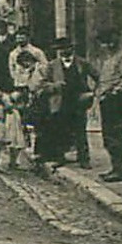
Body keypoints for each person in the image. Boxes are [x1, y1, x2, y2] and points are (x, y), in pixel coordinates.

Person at [33, 38, 94, 168]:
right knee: (60, 129)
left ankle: (84, 159)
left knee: (80, 130)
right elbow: (41, 84)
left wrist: (92, 94)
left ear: (71, 49)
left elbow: (99, 78)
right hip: (60, 101)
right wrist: (55, 86)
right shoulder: (52, 65)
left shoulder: (82, 63)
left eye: (65, 48)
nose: (62, 52)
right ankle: (60, 157)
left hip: (78, 101)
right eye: (60, 49)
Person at [92, 31, 122, 181]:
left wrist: (115, 92)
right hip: (108, 101)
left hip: (118, 101)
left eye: (107, 43)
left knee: (116, 135)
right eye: (103, 43)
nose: (105, 46)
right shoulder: (109, 60)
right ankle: (116, 167)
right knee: (108, 136)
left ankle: (121, 171)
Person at [3, 87, 30, 171]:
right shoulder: (12, 112)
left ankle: (14, 161)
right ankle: (12, 162)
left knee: (19, 144)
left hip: (18, 127)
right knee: (13, 143)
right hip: (13, 127)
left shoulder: (18, 111)